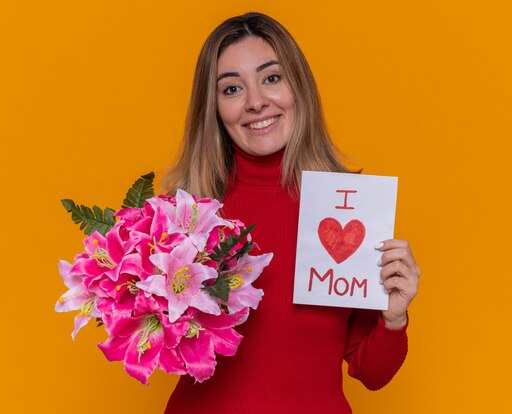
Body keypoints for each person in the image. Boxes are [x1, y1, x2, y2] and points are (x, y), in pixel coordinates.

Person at [162, 12, 420, 414]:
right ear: (212, 107)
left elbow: (373, 374)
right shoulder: (186, 211)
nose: (255, 102)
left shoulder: (348, 206)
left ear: (298, 85)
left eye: (271, 78)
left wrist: (394, 318)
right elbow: (161, 349)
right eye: (231, 89)